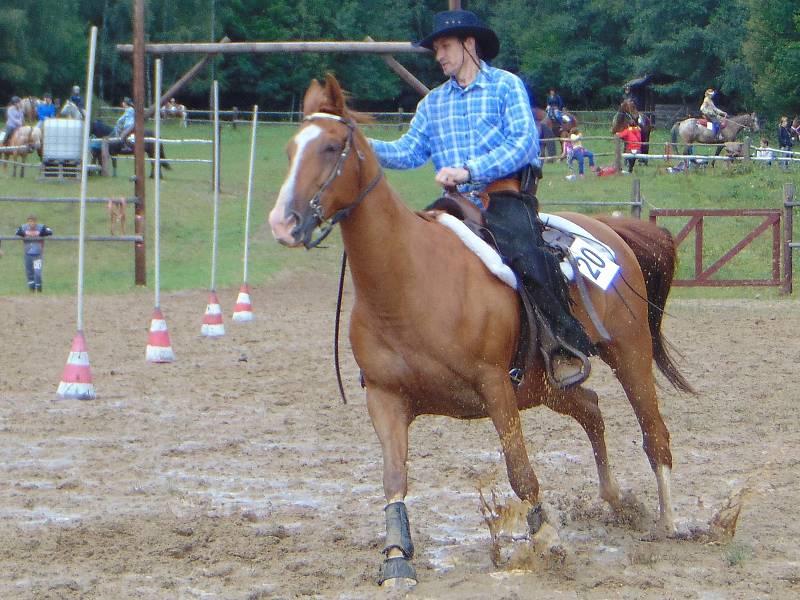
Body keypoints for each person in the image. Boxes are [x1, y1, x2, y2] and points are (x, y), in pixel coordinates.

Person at [368, 9, 593, 387]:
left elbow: (523, 145)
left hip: (504, 197)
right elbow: (407, 151)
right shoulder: (433, 104)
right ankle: (400, 351)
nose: (438, 55)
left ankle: (561, 345)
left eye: (445, 46)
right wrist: (360, 143)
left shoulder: (506, 86)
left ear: (469, 45)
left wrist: (470, 171)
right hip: (454, 204)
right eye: (436, 48)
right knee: (404, 256)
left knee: (527, 254)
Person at [15, 214, 53, 292]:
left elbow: (50, 231)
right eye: (30, 221)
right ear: (28, 222)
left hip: (37, 254)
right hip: (28, 253)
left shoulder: (41, 227)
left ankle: (39, 288)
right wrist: (26, 233)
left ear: (36, 222)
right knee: (29, 272)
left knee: (37, 271)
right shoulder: (24, 227)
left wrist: (40, 233)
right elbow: (17, 232)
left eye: (33, 221)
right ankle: (31, 289)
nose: (32, 223)